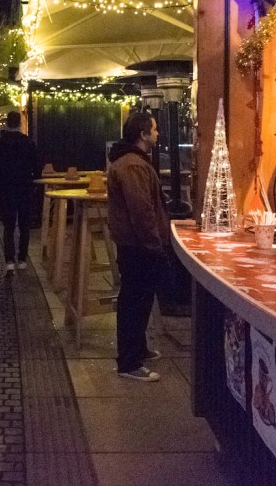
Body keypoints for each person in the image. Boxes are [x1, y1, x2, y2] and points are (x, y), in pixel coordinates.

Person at [107, 112, 169, 382]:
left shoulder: (134, 161)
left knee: (140, 299)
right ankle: (129, 362)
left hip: (135, 243)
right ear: (143, 135)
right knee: (134, 300)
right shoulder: (133, 165)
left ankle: (138, 349)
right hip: (137, 245)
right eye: (154, 130)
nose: (157, 134)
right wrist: (155, 244)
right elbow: (141, 210)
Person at [0, 110, 41, 272]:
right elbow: (36, 166)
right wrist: (33, 182)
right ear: (19, 122)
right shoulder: (28, 142)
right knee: (24, 224)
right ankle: (22, 258)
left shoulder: (0, 143)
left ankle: (9, 260)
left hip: (7, 189)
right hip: (24, 187)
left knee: (9, 225)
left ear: (7, 123)